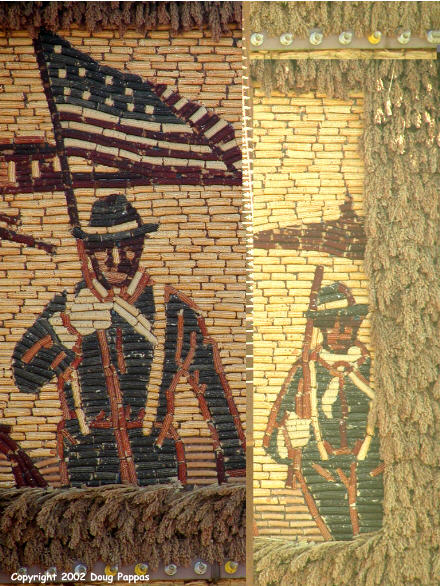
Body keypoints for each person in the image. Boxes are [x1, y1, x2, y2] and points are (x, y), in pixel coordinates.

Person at [13, 194, 246, 487]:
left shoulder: (171, 308)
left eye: (127, 247)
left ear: (141, 245)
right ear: (88, 250)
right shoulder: (67, 306)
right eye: (104, 249)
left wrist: (237, 469)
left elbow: (214, 392)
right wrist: (64, 328)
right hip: (86, 466)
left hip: (157, 465)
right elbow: (24, 379)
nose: (116, 259)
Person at [263, 277, 383, 540]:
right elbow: (272, 438)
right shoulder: (304, 372)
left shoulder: (376, 368)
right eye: (331, 324)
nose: (341, 331)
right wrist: (290, 437)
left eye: (347, 323)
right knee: (336, 544)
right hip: (321, 474)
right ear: (321, 327)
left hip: (371, 472)